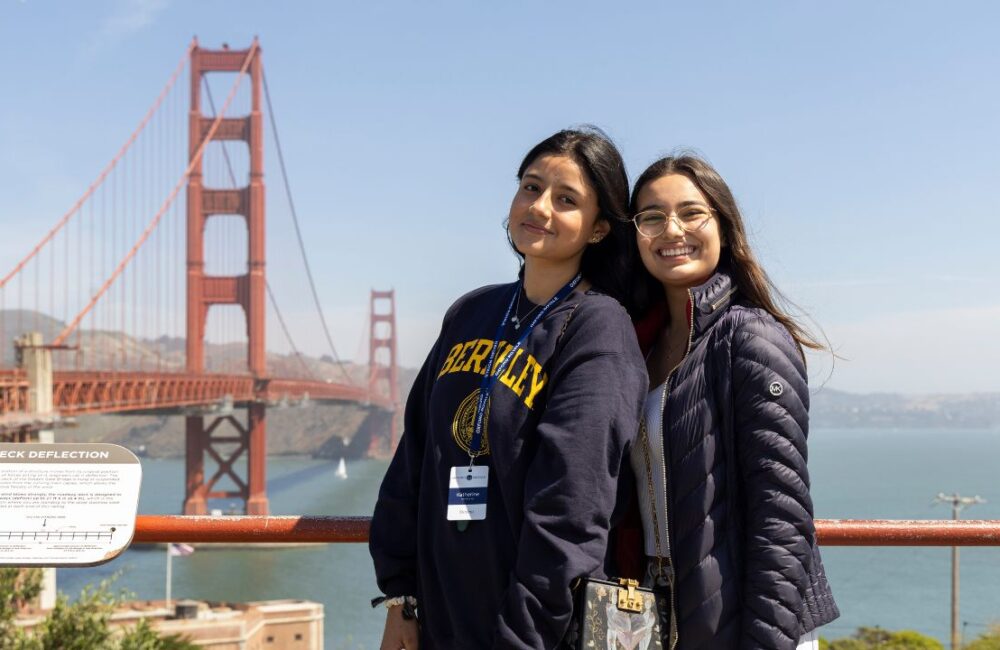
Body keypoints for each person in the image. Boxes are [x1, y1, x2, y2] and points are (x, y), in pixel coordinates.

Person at [369, 127, 647, 649]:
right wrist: (400, 596)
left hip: (530, 634)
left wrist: (520, 639)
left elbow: (570, 511)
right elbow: (413, 459)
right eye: (530, 186)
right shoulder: (472, 311)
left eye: (566, 200)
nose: (539, 206)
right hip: (438, 619)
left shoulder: (598, 328)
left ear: (599, 229)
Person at [618, 154, 839, 649]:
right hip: (666, 614)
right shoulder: (641, 347)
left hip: (745, 625)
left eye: (692, 212)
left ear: (724, 225)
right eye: (651, 216)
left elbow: (781, 518)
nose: (671, 229)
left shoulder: (750, 338)